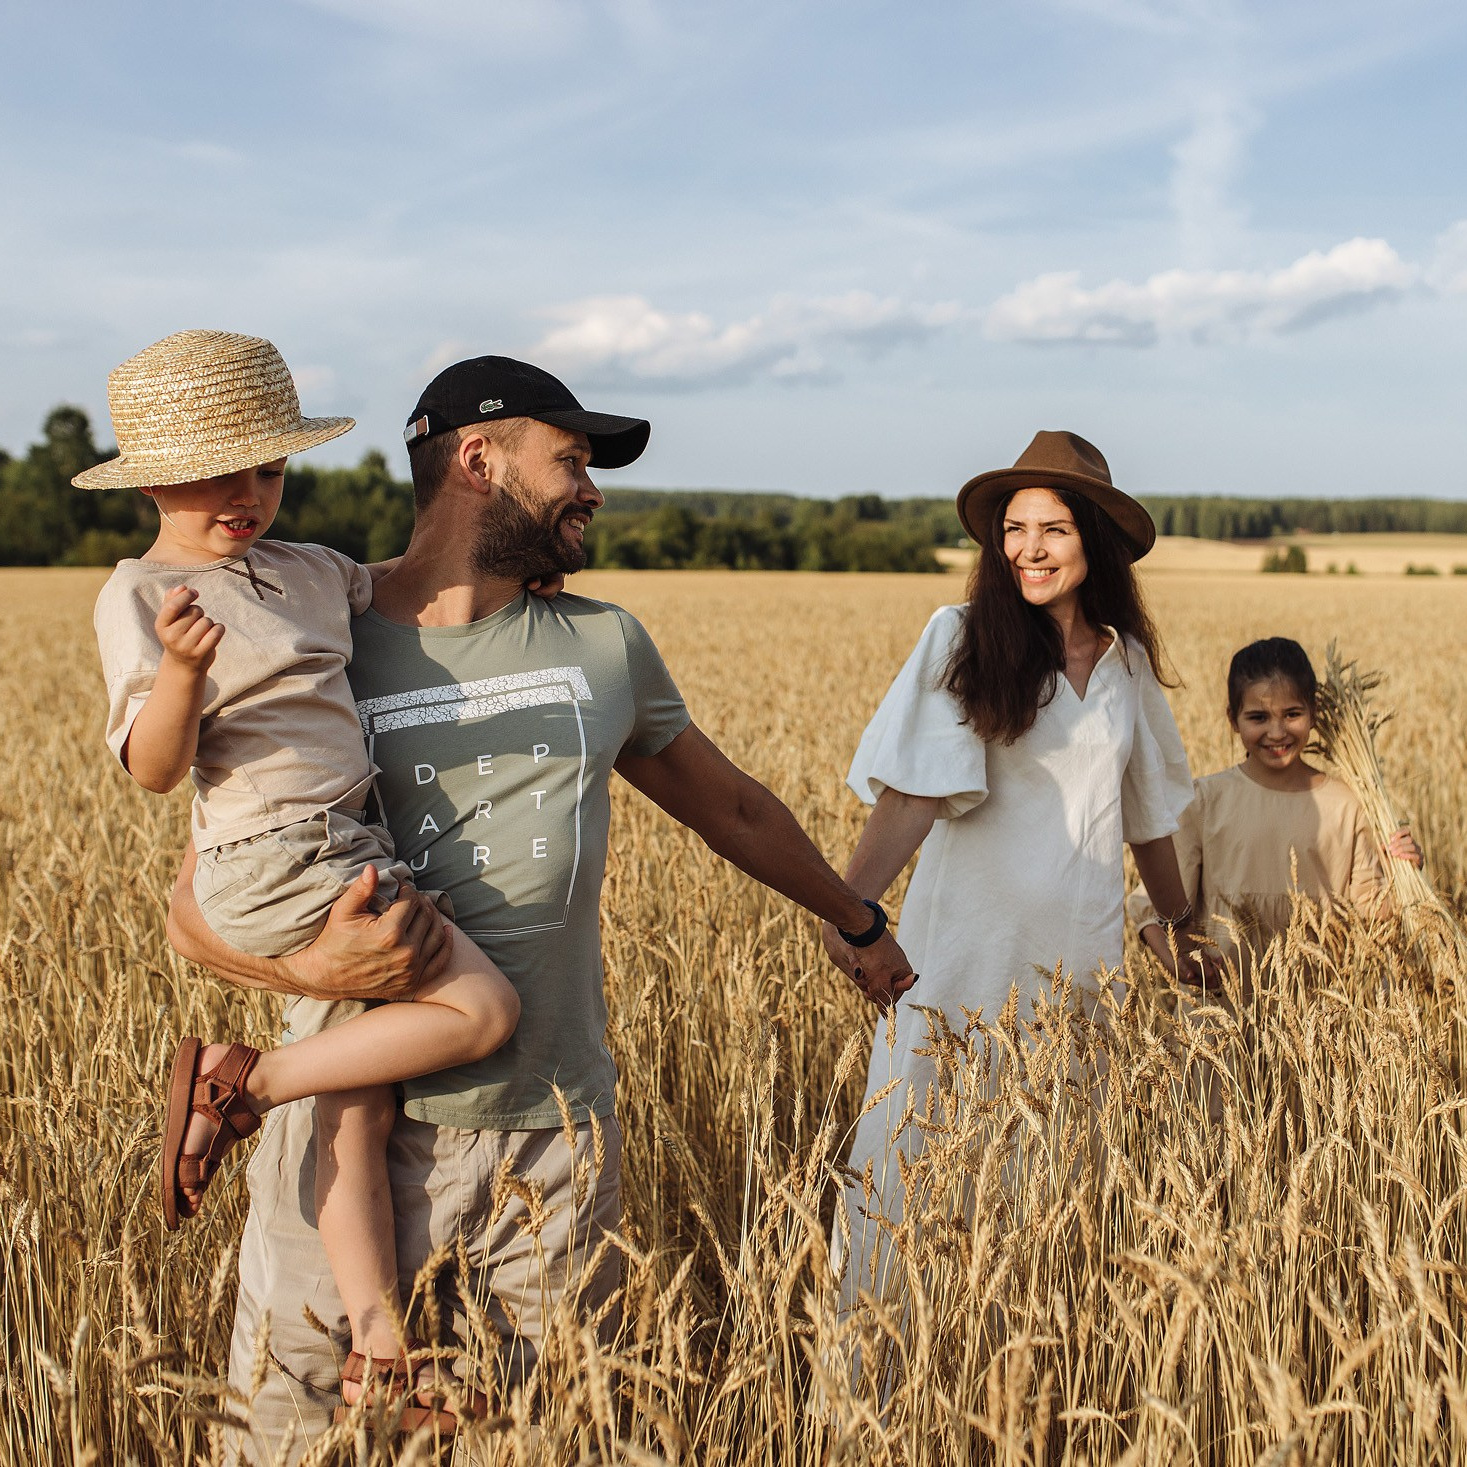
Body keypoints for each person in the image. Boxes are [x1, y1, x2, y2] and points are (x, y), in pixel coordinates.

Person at [164, 352, 916, 1459]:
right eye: (570, 460)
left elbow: (736, 812)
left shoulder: (602, 644)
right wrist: (318, 975)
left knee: (542, 1442)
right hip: (347, 1148)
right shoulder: (316, 635)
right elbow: (192, 908)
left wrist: (856, 921)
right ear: (479, 461)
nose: (593, 487)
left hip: (552, 1145)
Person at [82, 330, 522, 1424]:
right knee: (483, 1007)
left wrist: (517, 563)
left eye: (268, 467)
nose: (248, 492)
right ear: (150, 476)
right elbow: (152, 768)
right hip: (277, 855)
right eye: (218, 468)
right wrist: (182, 673)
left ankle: (379, 1350)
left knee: (357, 1096)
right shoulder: (141, 592)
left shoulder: (310, 569)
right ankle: (245, 1083)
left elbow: (406, 585)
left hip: (347, 846)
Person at [824, 430, 1196, 1308]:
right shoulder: (959, 635)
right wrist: (849, 908)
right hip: (962, 963)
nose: (1028, 548)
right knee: (918, 1163)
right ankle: (888, 1379)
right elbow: (912, 796)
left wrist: (1180, 928)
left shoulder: (1126, 662)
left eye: (1053, 529)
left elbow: (1147, 821)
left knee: (1054, 1176)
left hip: (1078, 974)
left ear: (1094, 540)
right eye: (1014, 528)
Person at [1128, 636, 1423, 980]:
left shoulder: (1347, 804)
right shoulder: (1205, 800)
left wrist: (1404, 872)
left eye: (1292, 714)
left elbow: (1372, 914)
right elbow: (1153, 906)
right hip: (1223, 1008)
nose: (1277, 731)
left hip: (1316, 1009)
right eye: (1258, 717)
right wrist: (1181, 964)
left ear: (1313, 713)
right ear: (1233, 720)